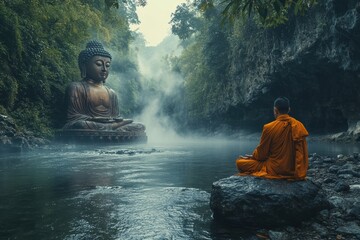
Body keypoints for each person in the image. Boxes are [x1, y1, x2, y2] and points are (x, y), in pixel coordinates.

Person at [63, 40, 145, 133]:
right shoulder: (76, 87)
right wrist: (96, 119)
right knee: (80, 125)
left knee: (140, 126)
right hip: (90, 124)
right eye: (98, 64)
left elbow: (116, 117)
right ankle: (113, 128)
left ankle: (112, 128)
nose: (104, 69)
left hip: (107, 125)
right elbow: (73, 117)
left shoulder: (111, 92)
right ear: (84, 65)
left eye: (107, 65)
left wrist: (115, 121)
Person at [236, 97, 309, 180]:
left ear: (275, 110)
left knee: (240, 162)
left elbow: (262, 154)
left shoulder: (269, 127)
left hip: (274, 168)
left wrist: (253, 157)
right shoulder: (299, 125)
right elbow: (302, 152)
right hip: (293, 169)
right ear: (289, 109)